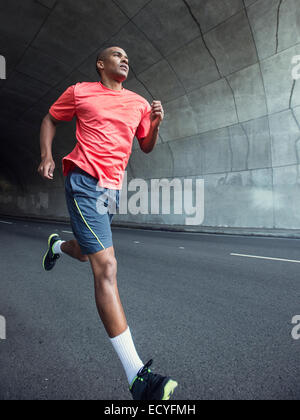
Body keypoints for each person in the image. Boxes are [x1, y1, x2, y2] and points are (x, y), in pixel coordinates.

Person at [38, 46, 178, 400]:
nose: (124, 58)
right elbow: (51, 119)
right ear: (101, 64)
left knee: (87, 254)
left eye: (128, 55)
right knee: (106, 266)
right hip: (84, 181)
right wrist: (46, 156)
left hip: (112, 189)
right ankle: (137, 377)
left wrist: (156, 124)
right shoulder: (80, 91)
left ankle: (57, 245)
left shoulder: (139, 103)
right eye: (117, 54)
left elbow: (144, 145)